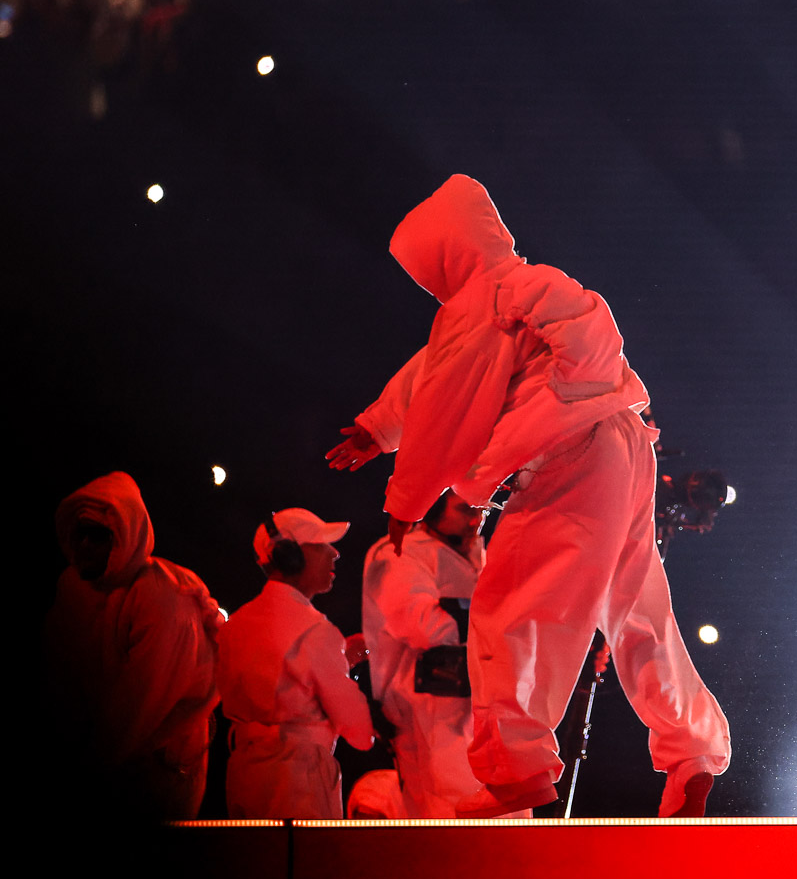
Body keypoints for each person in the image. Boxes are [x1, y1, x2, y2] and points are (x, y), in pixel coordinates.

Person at [327, 174, 730, 818]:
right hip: (624, 437)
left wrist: (405, 499)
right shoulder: (521, 282)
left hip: (570, 452)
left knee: (508, 608)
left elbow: (445, 400)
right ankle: (691, 750)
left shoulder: (478, 304)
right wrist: (379, 427)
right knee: (635, 607)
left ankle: (515, 775)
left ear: (446, 254)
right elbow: (432, 374)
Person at [47, 471, 223, 820]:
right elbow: (54, 678)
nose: (84, 545)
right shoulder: (73, 589)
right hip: (103, 771)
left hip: (163, 772)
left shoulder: (162, 593)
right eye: (79, 533)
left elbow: (142, 701)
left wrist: (80, 767)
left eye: (98, 535)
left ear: (126, 534)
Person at [217, 508, 375, 819]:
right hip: (301, 785)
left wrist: (341, 658)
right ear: (292, 556)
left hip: (241, 778)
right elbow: (360, 733)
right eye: (322, 544)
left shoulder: (234, 625)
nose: (335, 552)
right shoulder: (315, 630)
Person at [362, 489, 486, 817]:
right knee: (449, 815)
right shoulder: (396, 551)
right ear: (431, 507)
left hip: (474, 706)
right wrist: (501, 620)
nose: (476, 519)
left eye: (482, 510)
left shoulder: (478, 552)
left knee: (488, 816)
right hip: (425, 711)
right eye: (465, 510)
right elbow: (424, 625)